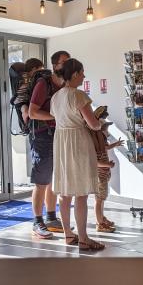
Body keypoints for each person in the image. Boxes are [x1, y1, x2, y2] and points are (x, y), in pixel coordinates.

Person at [50, 58, 105, 251]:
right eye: (82, 73)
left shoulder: (56, 97)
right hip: (78, 143)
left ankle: (68, 234)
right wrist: (99, 122)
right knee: (81, 193)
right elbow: (94, 124)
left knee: (65, 193)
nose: (84, 76)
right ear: (74, 74)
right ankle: (83, 238)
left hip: (61, 142)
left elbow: (58, 118)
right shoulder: (79, 95)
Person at [28, 50, 70, 239]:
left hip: (58, 135)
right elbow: (32, 112)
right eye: (64, 62)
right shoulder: (43, 84)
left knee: (54, 179)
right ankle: (37, 222)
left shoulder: (64, 85)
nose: (67, 65)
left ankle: (51, 217)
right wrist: (56, 117)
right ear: (55, 65)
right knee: (41, 180)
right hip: (42, 136)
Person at [90, 106, 124, 233]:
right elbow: (93, 162)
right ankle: (100, 223)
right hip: (100, 174)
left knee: (101, 199)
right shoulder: (94, 142)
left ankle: (102, 218)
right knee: (99, 200)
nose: (107, 132)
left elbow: (106, 148)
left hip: (104, 174)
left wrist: (115, 144)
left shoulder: (101, 141)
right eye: (105, 129)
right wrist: (107, 165)